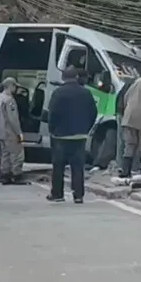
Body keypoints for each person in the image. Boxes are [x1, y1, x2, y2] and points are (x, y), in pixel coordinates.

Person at [46, 66, 98, 203]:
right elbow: (93, 113)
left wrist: (52, 130)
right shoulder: (86, 93)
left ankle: (57, 194)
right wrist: (86, 128)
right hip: (80, 135)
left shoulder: (58, 93)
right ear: (76, 77)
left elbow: (52, 114)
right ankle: (78, 195)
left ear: (63, 78)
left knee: (58, 167)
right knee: (77, 167)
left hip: (61, 136)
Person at [0, 77, 27, 185]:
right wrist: (19, 132)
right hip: (10, 132)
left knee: (5, 154)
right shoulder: (9, 100)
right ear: (10, 86)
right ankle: (17, 176)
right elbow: (13, 119)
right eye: (15, 86)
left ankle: (4, 175)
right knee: (17, 154)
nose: (15, 89)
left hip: (0, 132)